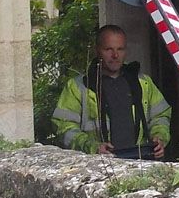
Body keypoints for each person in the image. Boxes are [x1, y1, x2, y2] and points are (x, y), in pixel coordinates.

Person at [52, 25, 170, 159]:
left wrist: (160, 138)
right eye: (108, 49)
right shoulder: (78, 86)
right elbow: (64, 127)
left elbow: (161, 116)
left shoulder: (143, 82)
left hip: (141, 164)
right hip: (98, 167)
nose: (115, 55)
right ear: (98, 50)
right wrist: (92, 146)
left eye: (120, 49)